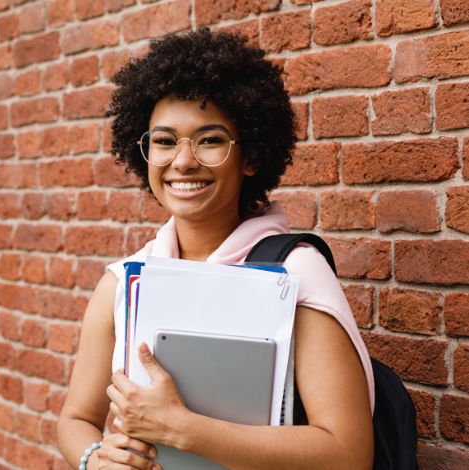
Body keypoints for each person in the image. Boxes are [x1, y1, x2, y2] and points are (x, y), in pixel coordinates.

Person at [56, 30, 374, 470]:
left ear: (250, 157)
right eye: (164, 141)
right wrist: (94, 459)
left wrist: (183, 430)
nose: (183, 161)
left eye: (209, 140)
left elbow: (348, 453)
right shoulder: (124, 282)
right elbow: (76, 419)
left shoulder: (294, 273)